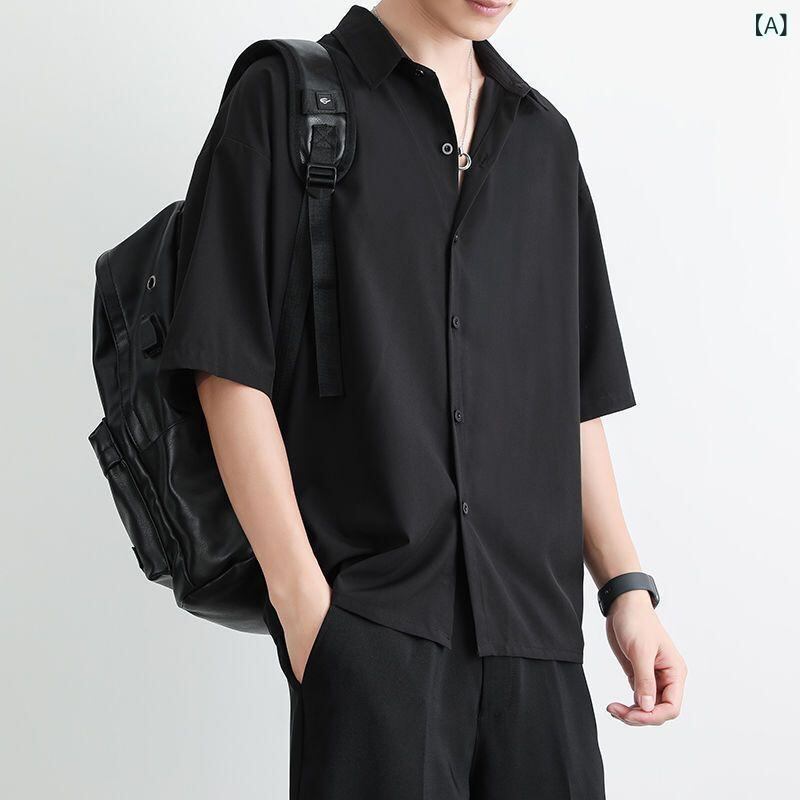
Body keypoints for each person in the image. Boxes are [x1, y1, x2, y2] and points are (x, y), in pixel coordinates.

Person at [158, 2, 687, 797]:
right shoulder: (287, 98)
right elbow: (226, 368)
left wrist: (626, 592)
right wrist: (307, 613)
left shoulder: (543, 141)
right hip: (374, 637)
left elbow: (571, 400)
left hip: (537, 642)